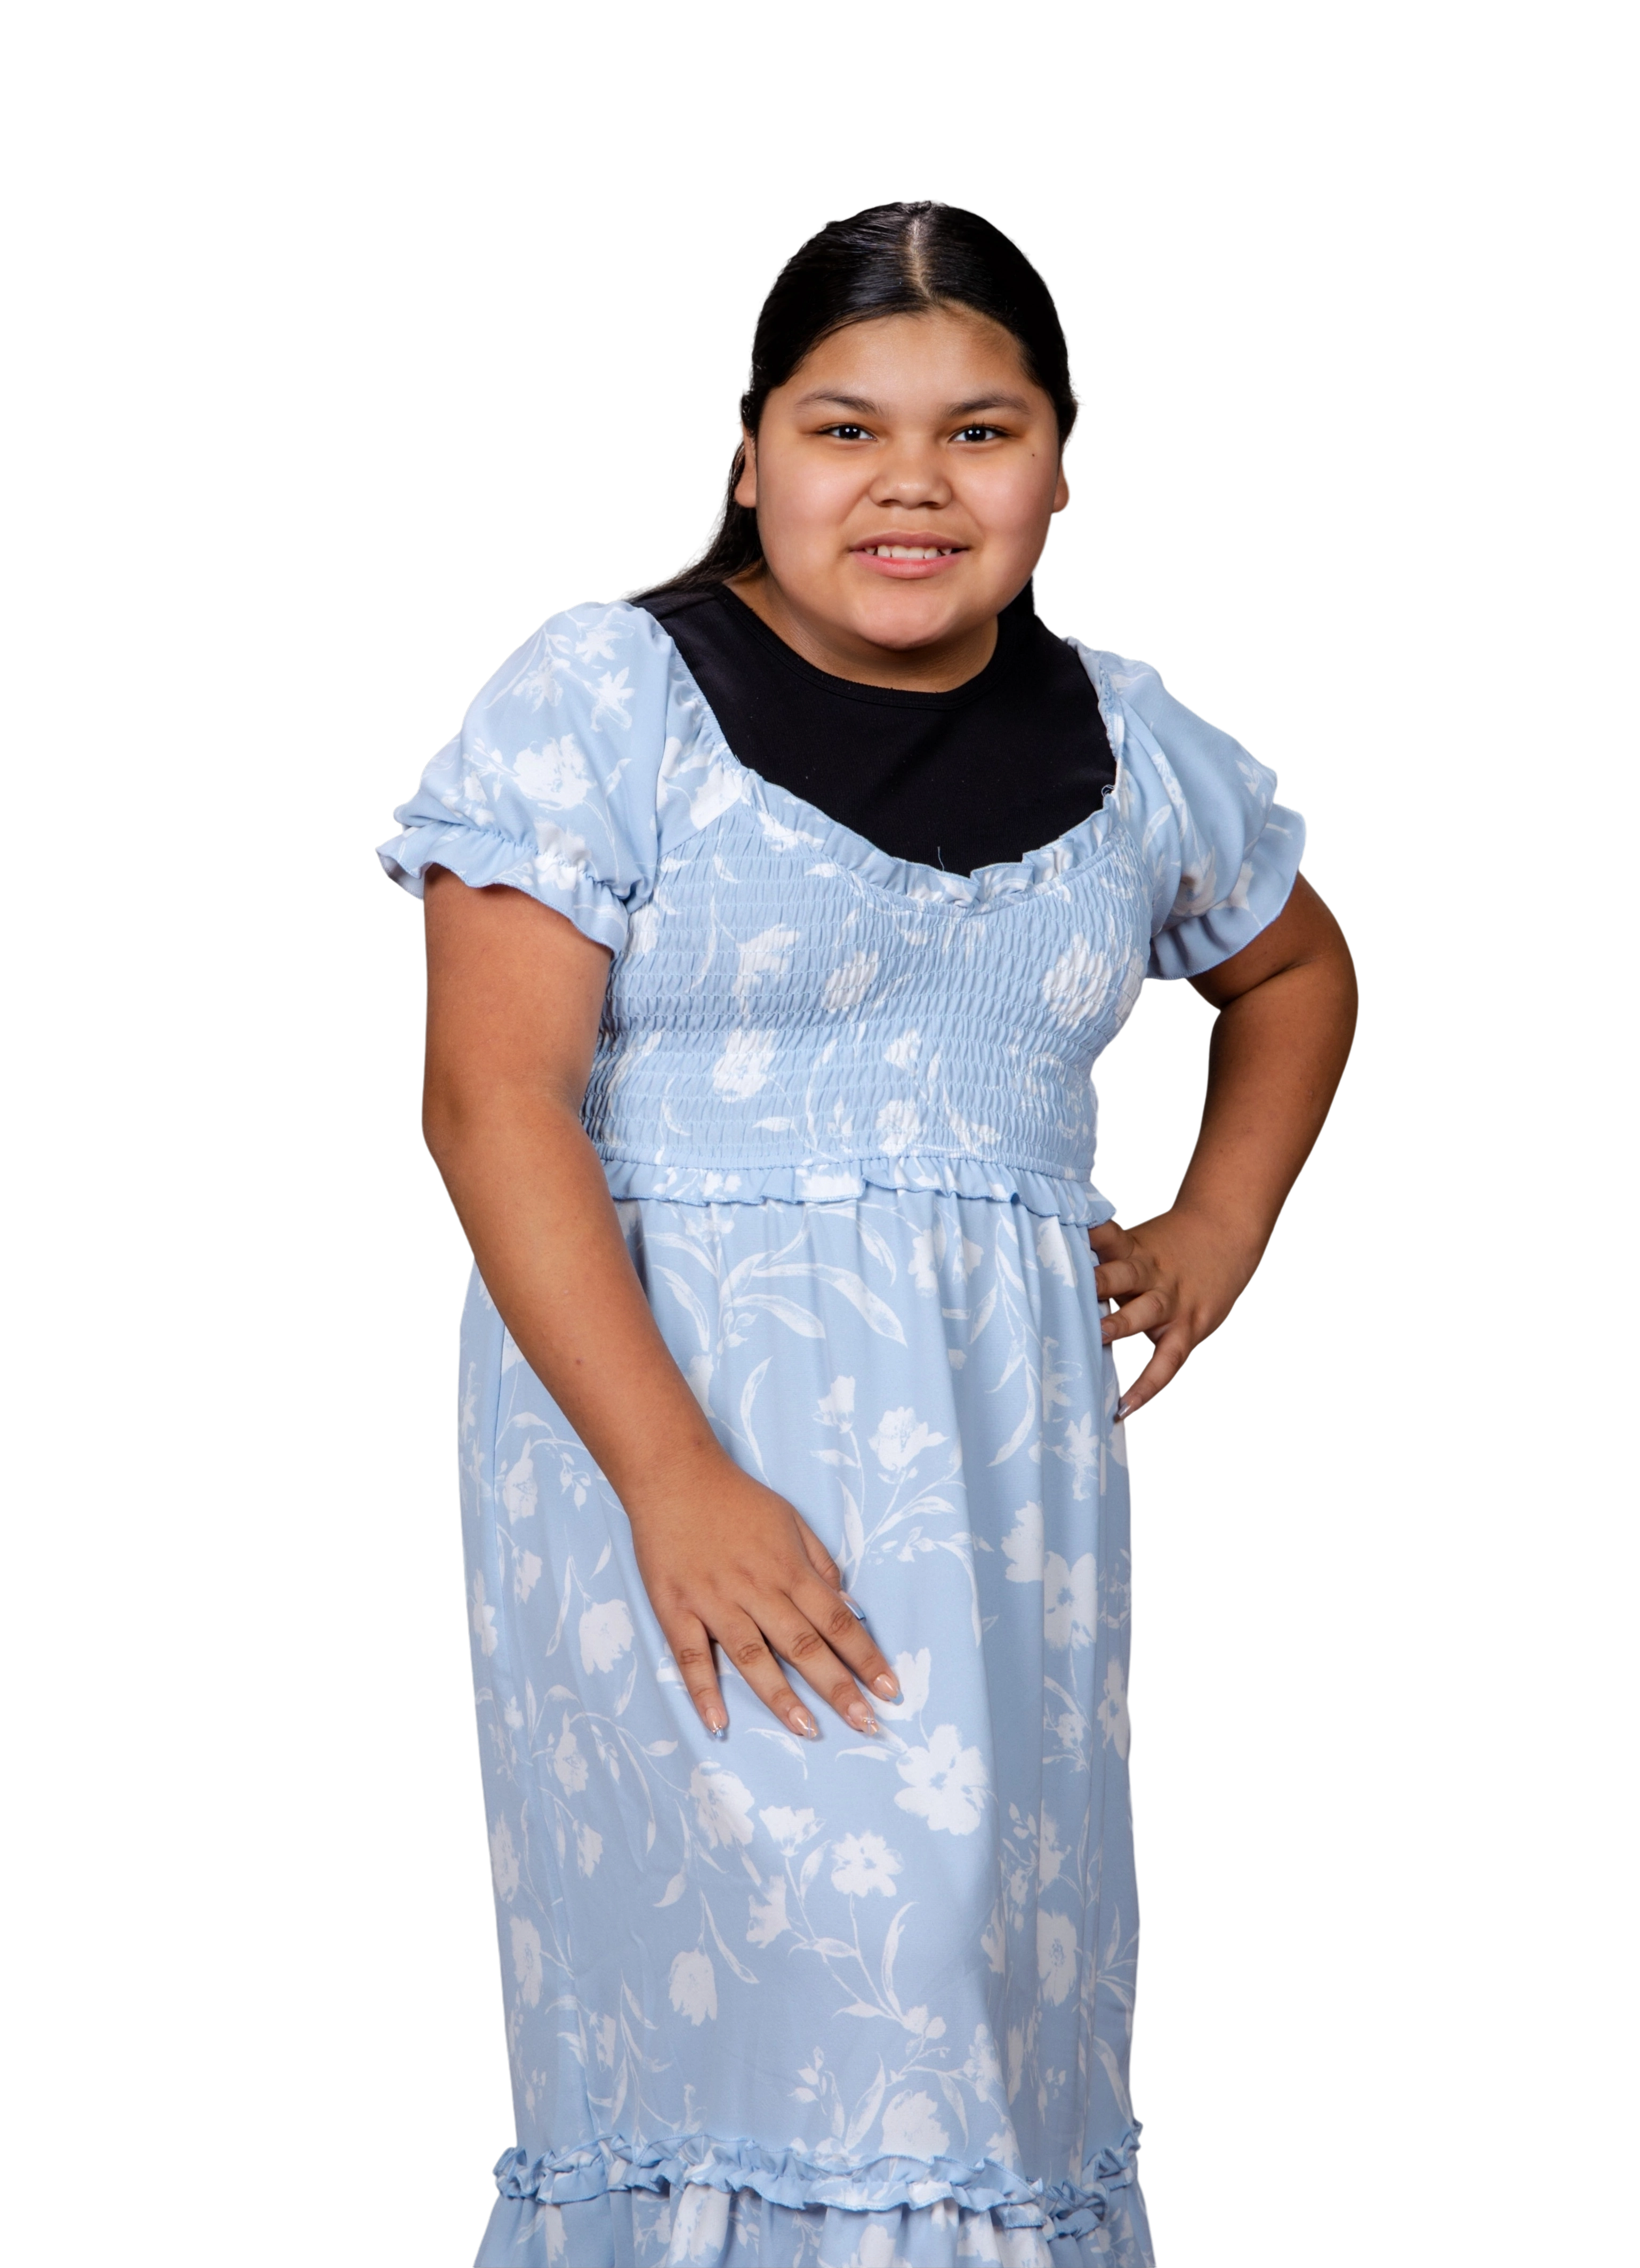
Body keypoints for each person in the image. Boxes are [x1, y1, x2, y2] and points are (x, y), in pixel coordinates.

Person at [376, 196, 1360, 2268]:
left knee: (983, 1988)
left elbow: (1295, 968)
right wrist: (674, 1477)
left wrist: (1218, 1226)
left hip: (1002, 1496)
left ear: (1061, 466)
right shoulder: (607, 696)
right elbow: (487, 1101)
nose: (914, 482)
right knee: (813, 1985)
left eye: (980, 432)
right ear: (751, 455)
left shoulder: (1125, 738)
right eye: (847, 429)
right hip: (666, 1438)